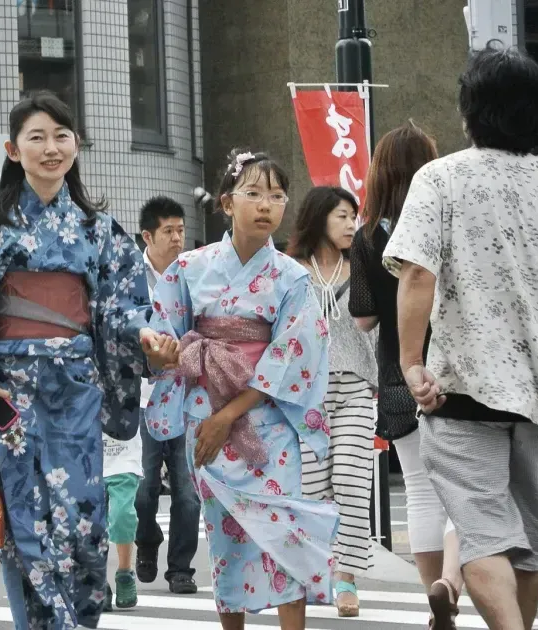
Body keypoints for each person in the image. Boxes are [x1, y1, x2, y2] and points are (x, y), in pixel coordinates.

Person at [384, 49, 538, 630]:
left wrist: (412, 364)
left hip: (461, 387)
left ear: (470, 113)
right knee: (528, 540)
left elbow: (416, 273)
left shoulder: (440, 178)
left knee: (485, 537)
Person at [0, 91, 156, 630]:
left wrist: (149, 337)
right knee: (26, 524)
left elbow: (126, 305)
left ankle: (77, 622)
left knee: (85, 523)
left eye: (61, 136)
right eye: (37, 137)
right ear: (13, 150)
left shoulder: (97, 229)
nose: (51, 148)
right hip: (12, 393)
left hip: (78, 389)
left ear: (76, 145)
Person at [143, 150, 337, 630]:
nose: (266, 204)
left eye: (276, 195)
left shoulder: (291, 277)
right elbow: (164, 332)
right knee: (226, 538)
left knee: (284, 534)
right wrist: (162, 350)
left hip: (266, 422)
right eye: (253, 193)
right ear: (228, 203)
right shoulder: (190, 267)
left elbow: (293, 356)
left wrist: (228, 416)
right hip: (205, 414)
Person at [347, 120, 465, 629]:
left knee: (418, 489)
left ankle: (429, 596)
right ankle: (452, 584)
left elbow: (363, 317)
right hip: (454, 370)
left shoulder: (367, 236)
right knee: (467, 487)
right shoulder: (447, 217)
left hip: (398, 375)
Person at [289, 185, 377, 617]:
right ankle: (313, 570)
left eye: (353, 216)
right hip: (308, 396)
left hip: (357, 387)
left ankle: (347, 579)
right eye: (342, 215)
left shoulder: (361, 267)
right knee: (312, 489)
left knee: (351, 481)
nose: (350, 224)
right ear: (319, 217)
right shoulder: (291, 272)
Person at [133, 195, 200, 595]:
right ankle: (146, 540)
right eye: (169, 231)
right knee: (142, 489)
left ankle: (181, 569)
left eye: (181, 230)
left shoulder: (193, 273)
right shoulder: (130, 276)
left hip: (186, 396)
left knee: (187, 490)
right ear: (148, 235)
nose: (178, 239)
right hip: (142, 396)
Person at [101, 429, 143, 611]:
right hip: (84, 455)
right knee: (89, 523)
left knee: (122, 515)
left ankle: (125, 573)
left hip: (123, 456)